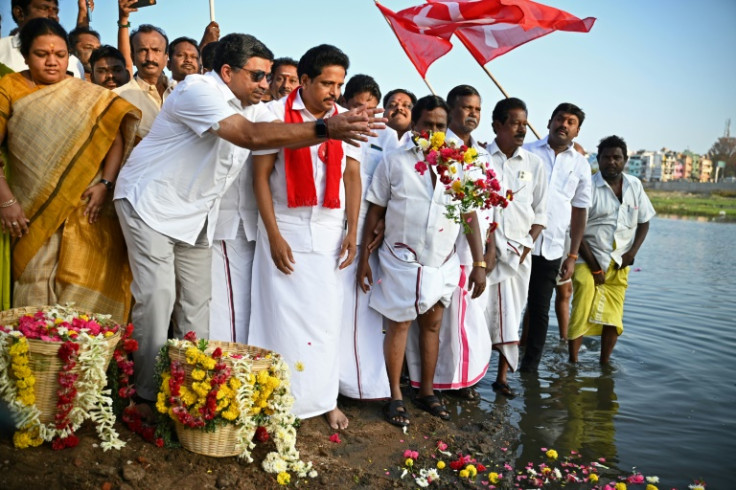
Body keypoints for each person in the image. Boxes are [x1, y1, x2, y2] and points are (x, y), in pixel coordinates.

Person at [114, 34, 378, 419]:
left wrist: (330, 121)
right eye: (257, 76)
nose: (266, 85)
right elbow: (251, 137)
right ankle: (145, 396)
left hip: (195, 219)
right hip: (149, 204)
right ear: (226, 72)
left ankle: (192, 390)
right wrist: (327, 130)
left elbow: (280, 124)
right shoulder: (197, 91)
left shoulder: (252, 106)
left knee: (197, 308)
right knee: (158, 299)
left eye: (268, 77)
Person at [249, 44, 362, 430]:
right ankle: (277, 399)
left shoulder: (345, 119)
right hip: (285, 227)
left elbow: (352, 175)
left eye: (339, 84)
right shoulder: (272, 115)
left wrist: (352, 230)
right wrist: (274, 235)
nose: (334, 91)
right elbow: (260, 178)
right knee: (278, 319)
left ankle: (325, 399)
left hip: (331, 230)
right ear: (306, 79)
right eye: (327, 83)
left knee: (327, 320)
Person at [0, 18, 140, 323]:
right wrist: (6, 202)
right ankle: (34, 362)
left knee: (86, 292)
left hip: (86, 206)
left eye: (60, 55)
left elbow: (115, 136)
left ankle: (86, 363)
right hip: (31, 211)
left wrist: (105, 183)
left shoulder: (86, 92)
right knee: (33, 292)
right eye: (41, 54)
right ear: (24, 56)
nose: (52, 62)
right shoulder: (7, 88)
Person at [358, 95, 485, 427]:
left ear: (447, 129)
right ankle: (394, 397)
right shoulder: (394, 162)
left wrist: (480, 264)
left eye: (440, 126)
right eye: (427, 124)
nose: (433, 131)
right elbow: (376, 210)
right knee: (399, 325)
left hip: (442, 261)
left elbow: (469, 216)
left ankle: (426, 392)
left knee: (432, 325)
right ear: (414, 126)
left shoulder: (459, 166)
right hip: (400, 259)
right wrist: (363, 260)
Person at [405, 85, 492, 400]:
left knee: (460, 325)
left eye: (477, 109)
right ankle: (429, 384)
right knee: (426, 322)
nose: (472, 114)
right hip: (430, 253)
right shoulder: (422, 153)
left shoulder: (476, 154)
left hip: (466, 253)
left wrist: (483, 257)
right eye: (466, 108)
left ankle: (454, 381)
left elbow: (479, 210)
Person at [568, 135, 654, 364]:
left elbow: (644, 221)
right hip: (587, 258)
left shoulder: (634, 185)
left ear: (625, 160)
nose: (612, 162)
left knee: (613, 317)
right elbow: (576, 230)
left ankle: (605, 362)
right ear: (598, 159)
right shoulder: (588, 186)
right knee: (582, 309)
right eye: (606, 157)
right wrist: (595, 268)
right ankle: (573, 362)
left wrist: (632, 253)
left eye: (617, 157)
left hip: (619, 262)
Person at [520, 103, 592, 372]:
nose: (564, 124)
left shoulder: (581, 164)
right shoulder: (526, 152)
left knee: (540, 310)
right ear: (549, 121)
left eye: (571, 122)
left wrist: (572, 255)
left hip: (551, 250)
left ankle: (529, 370)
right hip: (517, 243)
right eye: (560, 119)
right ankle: (492, 366)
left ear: (577, 130)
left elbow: (579, 212)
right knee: (505, 304)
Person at [484, 98, 547, 397]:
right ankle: (468, 376)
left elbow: (540, 214)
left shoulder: (535, 164)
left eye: (525, 123)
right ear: (497, 125)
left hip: (519, 255)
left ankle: (502, 377)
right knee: (479, 313)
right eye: (515, 123)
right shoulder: (481, 158)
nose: (522, 129)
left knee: (512, 314)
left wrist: (527, 246)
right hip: (483, 253)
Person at [337, 73, 393, 401]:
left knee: (364, 311)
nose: (362, 113)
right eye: (356, 106)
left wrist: (382, 223)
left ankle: (364, 383)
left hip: (368, 237)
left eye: (370, 108)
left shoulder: (388, 141)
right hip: (335, 230)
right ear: (345, 103)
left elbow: (390, 191)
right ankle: (335, 379)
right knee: (336, 308)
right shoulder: (333, 131)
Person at [114, 17, 174, 140]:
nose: (150, 58)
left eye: (156, 50)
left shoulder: (181, 92)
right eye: (142, 51)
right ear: (132, 56)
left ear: (166, 57)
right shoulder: (118, 98)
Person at [0, 0, 85, 78]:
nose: (53, 16)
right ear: (19, 13)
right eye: (44, 8)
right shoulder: (2, 49)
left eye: (56, 11)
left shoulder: (74, 63)